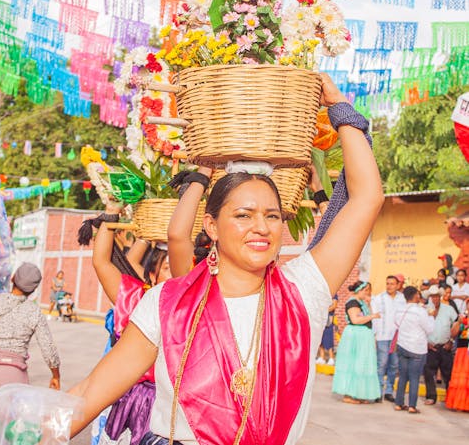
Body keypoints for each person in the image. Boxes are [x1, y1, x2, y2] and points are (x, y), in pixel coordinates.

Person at [69, 74, 385, 444]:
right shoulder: (168, 303)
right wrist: (28, 429)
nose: (261, 227)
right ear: (212, 227)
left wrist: (340, 109)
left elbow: (367, 198)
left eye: (271, 215)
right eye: (243, 215)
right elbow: (91, 391)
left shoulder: (305, 289)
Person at [88, 206, 172, 445]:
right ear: (152, 275)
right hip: (135, 401)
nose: (177, 272)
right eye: (167, 268)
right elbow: (101, 262)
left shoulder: (197, 304)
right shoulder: (136, 299)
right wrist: (110, 213)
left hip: (177, 405)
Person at [0, 262, 60, 420]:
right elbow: (49, 349)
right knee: (4, 435)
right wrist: (55, 376)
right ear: (33, 290)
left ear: (12, 279)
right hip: (12, 381)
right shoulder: (34, 311)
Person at [332, 281, 381, 403]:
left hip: (364, 336)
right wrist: (372, 316)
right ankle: (348, 395)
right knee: (354, 363)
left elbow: (366, 314)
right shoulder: (352, 302)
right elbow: (355, 319)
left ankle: (359, 393)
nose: (368, 293)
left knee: (362, 364)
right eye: (366, 290)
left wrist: (369, 306)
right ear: (359, 290)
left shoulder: (362, 303)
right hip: (356, 336)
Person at [393, 286, 434, 414]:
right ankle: (412, 406)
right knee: (414, 377)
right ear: (415, 295)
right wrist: (431, 316)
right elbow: (430, 329)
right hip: (417, 347)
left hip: (402, 344)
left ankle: (399, 403)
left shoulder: (400, 309)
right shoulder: (420, 311)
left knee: (403, 376)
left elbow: (396, 323)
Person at [371, 275, 406, 401]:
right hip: (382, 336)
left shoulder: (402, 299)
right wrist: (374, 335)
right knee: (382, 364)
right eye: (387, 283)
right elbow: (375, 318)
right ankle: (378, 392)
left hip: (397, 337)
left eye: (392, 284)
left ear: (398, 285)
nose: (389, 286)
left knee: (394, 365)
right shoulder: (379, 298)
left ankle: (389, 391)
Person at [423, 284, 458, 405]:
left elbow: (457, 324)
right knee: (428, 372)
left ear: (440, 296)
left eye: (437, 296)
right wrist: (425, 342)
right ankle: (431, 396)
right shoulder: (425, 309)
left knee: (448, 374)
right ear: (430, 297)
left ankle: (451, 398)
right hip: (430, 346)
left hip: (445, 346)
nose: (435, 299)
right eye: (432, 296)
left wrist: (451, 341)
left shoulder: (449, 309)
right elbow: (421, 327)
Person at [445, 296, 469, 411]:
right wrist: (459, 323)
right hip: (462, 352)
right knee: (461, 380)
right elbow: (453, 334)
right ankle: (461, 404)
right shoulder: (462, 318)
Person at [316, 295, 338, 366]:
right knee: (320, 339)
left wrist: (323, 310)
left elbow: (334, 306)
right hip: (320, 318)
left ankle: (331, 358)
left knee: (328, 339)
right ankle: (322, 357)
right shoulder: (321, 292)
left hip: (328, 319)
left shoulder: (334, 295)